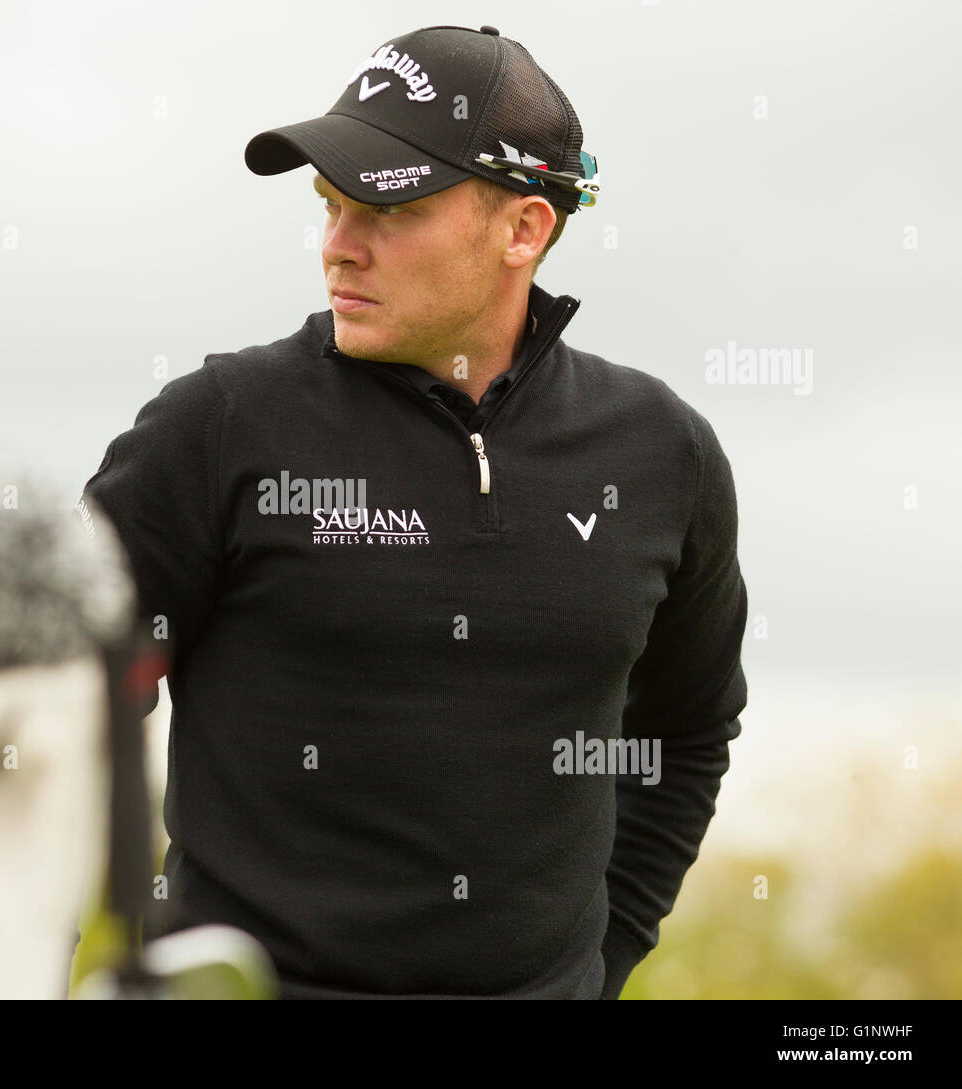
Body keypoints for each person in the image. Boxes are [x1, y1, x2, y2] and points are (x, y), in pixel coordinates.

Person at [81, 23, 748, 999]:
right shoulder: (216, 428)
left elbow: (684, 734)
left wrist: (599, 967)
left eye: (387, 210)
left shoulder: (662, 453)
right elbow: (57, 703)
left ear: (524, 229)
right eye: (328, 204)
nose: (337, 248)